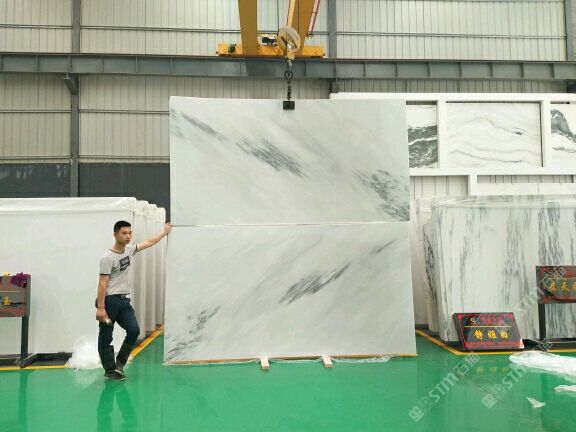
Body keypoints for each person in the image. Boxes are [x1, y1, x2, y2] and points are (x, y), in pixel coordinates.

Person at [96, 220, 172, 380]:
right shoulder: (107, 258)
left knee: (134, 330)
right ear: (115, 234)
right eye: (124, 233)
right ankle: (109, 371)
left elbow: (149, 242)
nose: (128, 236)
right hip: (109, 301)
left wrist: (164, 233)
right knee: (105, 337)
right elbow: (102, 283)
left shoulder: (129, 250)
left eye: (130, 233)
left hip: (123, 301)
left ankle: (119, 364)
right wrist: (101, 308)